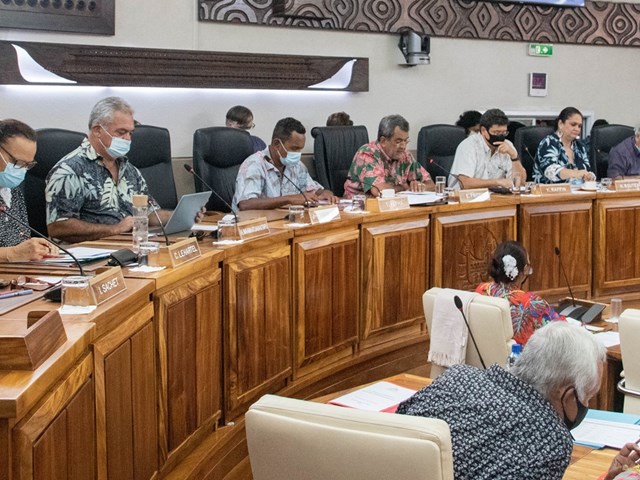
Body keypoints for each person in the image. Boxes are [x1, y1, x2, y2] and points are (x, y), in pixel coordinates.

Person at [397, 322, 606, 480]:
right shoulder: (552, 440)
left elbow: (395, 425)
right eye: (587, 397)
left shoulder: (457, 376)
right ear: (567, 396)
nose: (586, 406)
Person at [45, 97, 186, 243]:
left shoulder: (130, 170)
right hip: (88, 251)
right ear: (98, 130)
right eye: (121, 132)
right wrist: (115, 229)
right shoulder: (70, 170)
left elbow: (149, 214)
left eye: (130, 133)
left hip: (129, 246)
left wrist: (180, 216)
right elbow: (58, 227)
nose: (128, 139)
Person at [232, 117, 335, 211]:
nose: (298, 153)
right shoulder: (254, 164)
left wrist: (325, 193)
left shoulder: (297, 165)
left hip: (287, 221)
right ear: (277, 144)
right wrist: (289, 199)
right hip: (256, 223)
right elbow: (245, 204)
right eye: (294, 148)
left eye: (300, 149)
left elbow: (313, 189)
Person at [475, 240, 564, 345]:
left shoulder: (481, 290)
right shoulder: (531, 303)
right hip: (520, 355)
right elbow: (561, 330)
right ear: (525, 269)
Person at [0, 119, 59, 261]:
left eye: (27, 165)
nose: (21, 171)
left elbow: (20, 239)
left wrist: (38, 248)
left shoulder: (12, 188)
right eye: (17, 162)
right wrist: (11, 254)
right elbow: (14, 252)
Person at [343, 114, 434, 197]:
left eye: (406, 141)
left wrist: (420, 186)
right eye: (398, 141)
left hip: (393, 205)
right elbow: (380, 191)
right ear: (383, 141)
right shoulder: (367, 154)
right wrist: (405, 187)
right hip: (358, 206)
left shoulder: (405, 155)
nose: (403, 146)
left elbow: (431, 185)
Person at [449, 108, 527, 189]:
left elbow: (521, 183)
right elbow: (464, 183)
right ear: (484, 131)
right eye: (496, 132)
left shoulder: (508, 145)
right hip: (464, 195)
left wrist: (514, 157)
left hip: (495, 195)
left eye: (504, 132)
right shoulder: (469, 145)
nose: (500, 136)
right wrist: (497, 182)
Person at [533, 107, 596, 184]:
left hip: (578, 190)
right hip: (549, 190)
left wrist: (589, 176)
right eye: (573, 124)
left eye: (579, 126)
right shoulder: (548, 143)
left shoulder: (580, 146)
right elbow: (550, 172)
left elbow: (587, 170)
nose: (577, 129)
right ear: (560, 124)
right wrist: (576, 173)